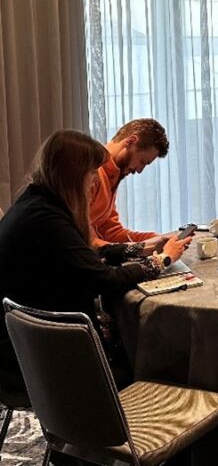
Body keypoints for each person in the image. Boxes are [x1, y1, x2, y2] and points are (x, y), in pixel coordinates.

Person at [0, 130, 190, 390]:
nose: (93, 183)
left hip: (29, 343)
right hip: (47, 356)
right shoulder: (47, 219)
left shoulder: (37, 204)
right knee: (159, 356)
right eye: (90, 174)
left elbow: (83, 255)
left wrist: (142, 249)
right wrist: (163, 261)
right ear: (72, 174)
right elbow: (105, 281)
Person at [90, 118, 172, 251]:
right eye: (142, 161)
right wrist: (138, 249)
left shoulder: (112, 174)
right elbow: (83, 240)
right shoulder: (91, 173)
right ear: (130, 141)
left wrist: (155, 238)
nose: (139, 170)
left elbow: (110, 232)